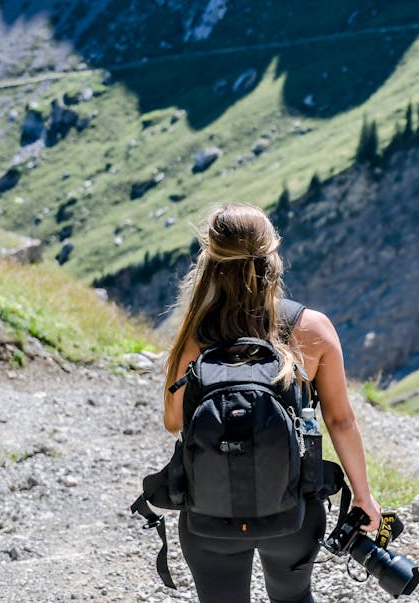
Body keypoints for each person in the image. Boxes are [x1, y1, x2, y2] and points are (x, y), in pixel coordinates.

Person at [161, 203, 381, 603]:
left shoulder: (193, 335)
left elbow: (174, 422)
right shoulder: (311, 329)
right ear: (273, 259)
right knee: (293, 598)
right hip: (294, 509)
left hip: (209, 511)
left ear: (210, 260)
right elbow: (341, 421)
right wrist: (363, 498)